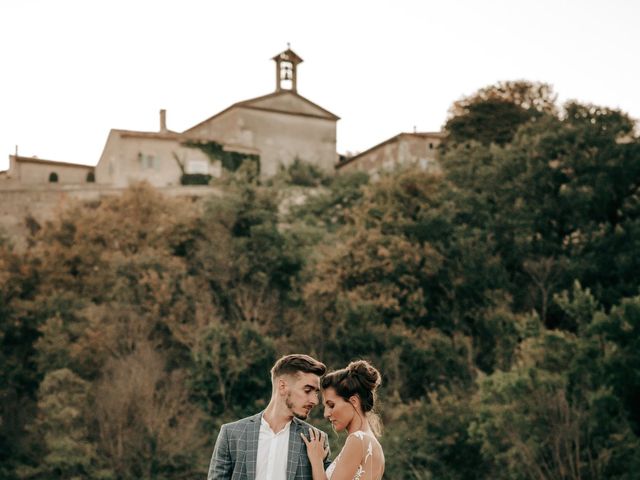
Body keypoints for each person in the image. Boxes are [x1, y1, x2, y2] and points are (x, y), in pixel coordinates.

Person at [208, 353, 332, 480]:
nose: (314, 401)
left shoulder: (316, 439)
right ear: (282, 386)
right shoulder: (231, 434)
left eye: (316, 392)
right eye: (307, 390)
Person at [301, 360, 385, 480]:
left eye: (331, 405)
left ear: (354, 401)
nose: (326, 414)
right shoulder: (373, 444)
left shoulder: (357, 439)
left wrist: (316, 460)